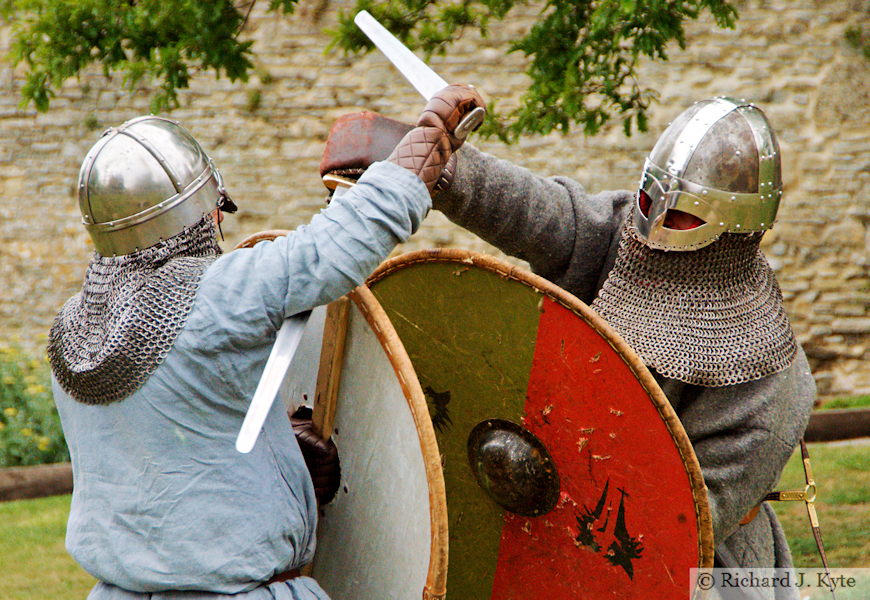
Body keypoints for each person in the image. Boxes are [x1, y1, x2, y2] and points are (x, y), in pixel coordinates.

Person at [322, 97, 816, 594]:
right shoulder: (619, 238)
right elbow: (536, 210)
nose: (658, 222)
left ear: (737, 227)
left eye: (686, 213)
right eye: (652, 197)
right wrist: (437, 168)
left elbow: (679, 523)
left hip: (698, 575)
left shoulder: (771, 379)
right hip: (533, 509)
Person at [47, 84, 485, 599]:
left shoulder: (73, 331)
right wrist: (428, 138)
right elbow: (332, 248)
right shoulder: (213, 294)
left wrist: (279, 455)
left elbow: (168, 443)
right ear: (195, 214)